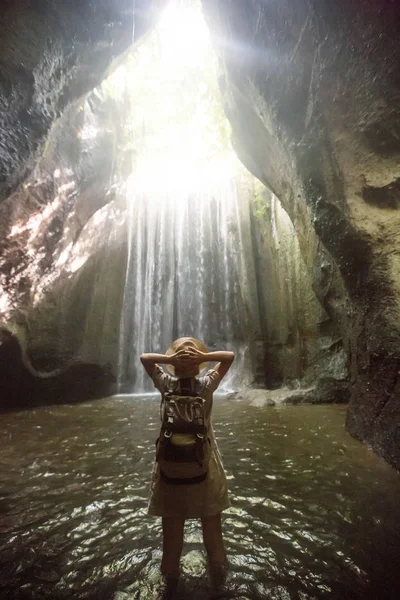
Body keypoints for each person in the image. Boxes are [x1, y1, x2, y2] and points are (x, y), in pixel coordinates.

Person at [140, 337, 234, 598]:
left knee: (171, 545)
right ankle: (221, 590)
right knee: (214, 539)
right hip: (204, 468)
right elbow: (229, 357)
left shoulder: (166, 385)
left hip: (170, 473)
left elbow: (145, 359)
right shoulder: (207, 385)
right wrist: (202, 358)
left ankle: (169, 590)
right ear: (197, 366)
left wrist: (170, 360)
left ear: (174, 366)